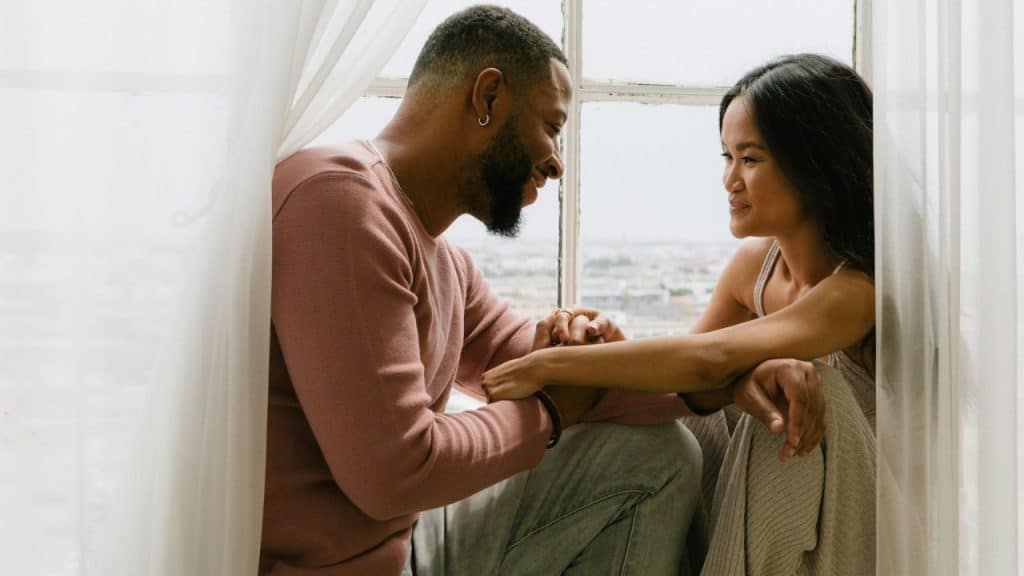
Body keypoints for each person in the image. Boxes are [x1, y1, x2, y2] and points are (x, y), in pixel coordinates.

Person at [259, 6, 808, 575]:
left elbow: (543, 363)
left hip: (409, 542)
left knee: (657, 454)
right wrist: (547, 412)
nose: (556, 163)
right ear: (488, 98)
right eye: (550, 126)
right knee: (653, 459)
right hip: (332, 564)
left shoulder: (444, 259)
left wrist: (723, 382)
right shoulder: (340, 201)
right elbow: (392, 473)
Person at [483, 53, 877, 575]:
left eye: (751, 159)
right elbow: (689, 390)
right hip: (770, 531)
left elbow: (710, 358)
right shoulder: (754, 270)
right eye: (727, 157)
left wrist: (546, 368)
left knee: (792, 397)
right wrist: (601, 345)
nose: (729, 181)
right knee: (696, 413)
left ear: (814, 166)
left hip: (854, 535)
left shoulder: (857, 289)